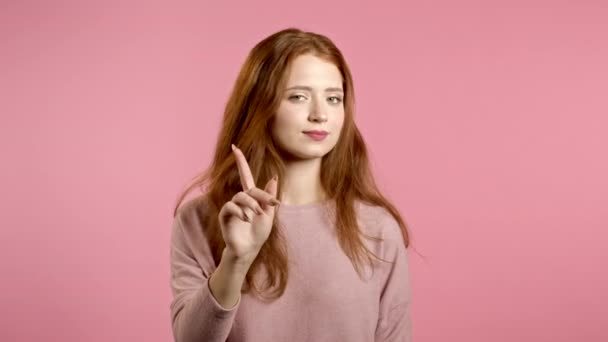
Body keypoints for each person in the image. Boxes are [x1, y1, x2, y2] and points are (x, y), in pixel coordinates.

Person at [169, 27, 413, 342]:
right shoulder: (200, 220)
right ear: (260, 105)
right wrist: (236, 259)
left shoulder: (377, 228)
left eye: (333, 98)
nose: (320, 114)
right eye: (298, 96)